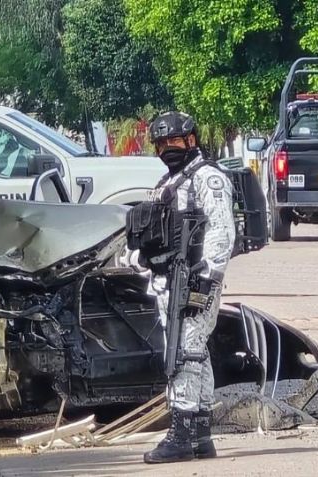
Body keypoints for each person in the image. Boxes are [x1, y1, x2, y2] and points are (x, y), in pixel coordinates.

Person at [121, 112, 235, 464]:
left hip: (195, 279)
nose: (168, 148)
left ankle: (181, 435)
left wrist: (208, 273)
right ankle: (201, 434)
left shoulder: (207, 177)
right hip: (168, 280)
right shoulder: (169, 182)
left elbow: (221, 229)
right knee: (195, 352)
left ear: (190, 140)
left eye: (174, 141)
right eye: (161, 143)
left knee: (184, 353)